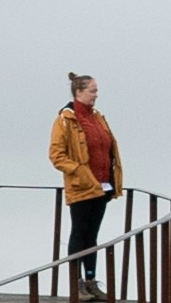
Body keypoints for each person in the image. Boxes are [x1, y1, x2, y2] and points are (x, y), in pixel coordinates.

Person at [49, 70, 123, 279]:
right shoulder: (66, 119)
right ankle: (76, 283)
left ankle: (90, 279)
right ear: (79, 92)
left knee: (92, 235)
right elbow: (56, 155)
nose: (96, 95)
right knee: (79, 233)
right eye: (93, 90)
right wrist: (80, 172)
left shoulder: (97, 117)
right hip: (82, 187)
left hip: (102, 185)